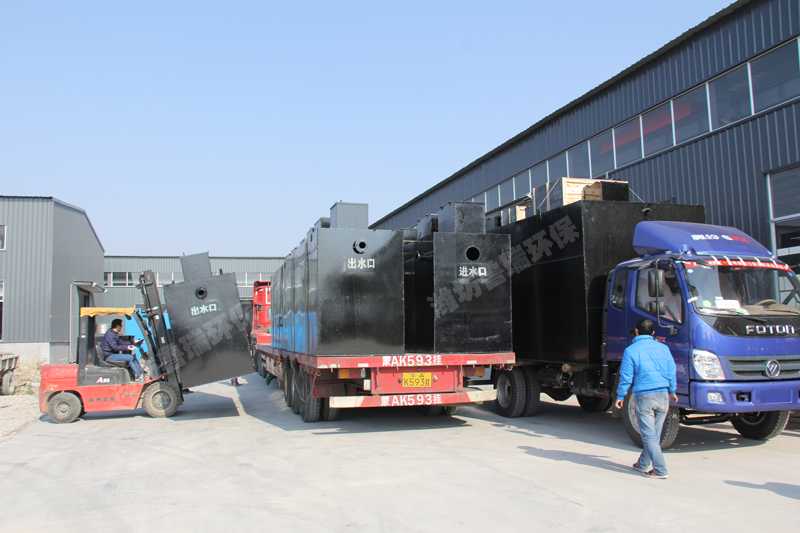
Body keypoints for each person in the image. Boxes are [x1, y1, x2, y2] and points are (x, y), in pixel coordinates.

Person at [615, 318, 678, 479]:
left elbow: (626, 376)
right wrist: (672, 391)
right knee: (654, 434)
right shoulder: (664, 348)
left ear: (636, 331)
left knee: (649, 436)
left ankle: (660, 469)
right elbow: (671, 371)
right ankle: (642, 464)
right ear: (653, 332)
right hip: (663, 395)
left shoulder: (631, 350)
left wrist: (621, 395)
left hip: (645, 397)